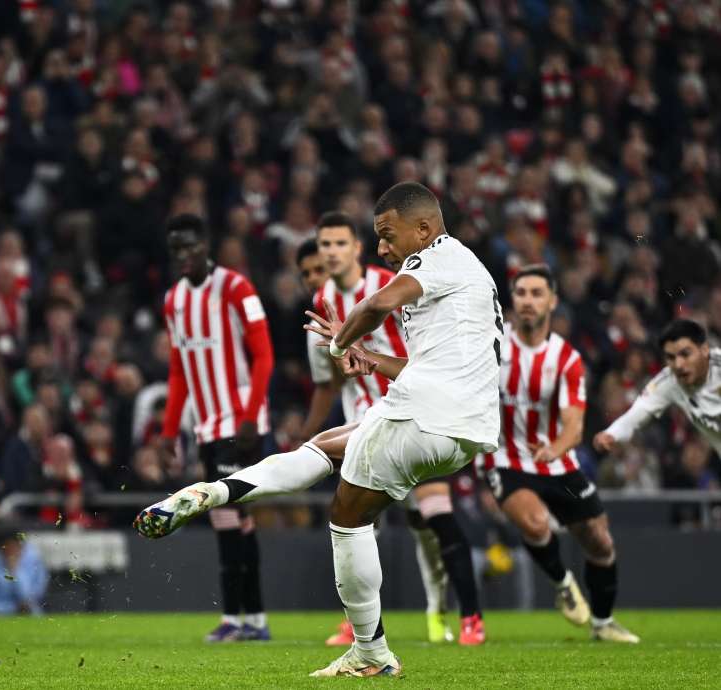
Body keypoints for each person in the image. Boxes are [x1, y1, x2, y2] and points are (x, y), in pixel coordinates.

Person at [138, 182, 501, 677]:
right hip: (464, 424)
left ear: (424, 228)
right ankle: (212, 492)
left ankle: (370, 652)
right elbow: (425, 366)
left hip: (428, 413)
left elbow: (376, 306)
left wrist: (339, 345)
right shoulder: (467, 276)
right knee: (326, 447)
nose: (382, 248)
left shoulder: (436, 256)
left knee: (348, 514)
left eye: (387, 235)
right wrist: (369, 357)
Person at [307, 212, 484, 647]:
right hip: (365, 422)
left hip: (415, 414)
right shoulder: (324, 296)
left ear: (355, 247)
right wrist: (308, 431)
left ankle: (471, 618)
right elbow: (329, 381)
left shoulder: (392, 282)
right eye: (323, 244)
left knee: (436, 517)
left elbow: (421, 346)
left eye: (338, 243)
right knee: (356, 520)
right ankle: (359, 624)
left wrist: (349, 347)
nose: (330, 252)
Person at [478, 264, 639, 643]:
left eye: (537, 293)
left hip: (557, 460)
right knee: (535, 523)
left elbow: (574, 424)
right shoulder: (492, 347)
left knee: (599, 540)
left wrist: (557, 448)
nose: (528, 301)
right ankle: (563, 582)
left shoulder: (566, 359)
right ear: (512, 301)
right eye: (521, 294)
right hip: (506, 458)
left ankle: (602, 623)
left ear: (552, 301)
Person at [160, 213, 275, 642]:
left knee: (230, 519)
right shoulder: (173, 301)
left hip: (240, 423)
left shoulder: (235, 288)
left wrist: (249, 414)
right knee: (230, 523)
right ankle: (248, 620)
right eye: (175, 249)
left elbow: (264, 356)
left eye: (189, 246)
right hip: (207, 427)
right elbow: (178, 371)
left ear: (205, 243)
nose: (183, 256)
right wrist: (169, 431)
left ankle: (243, 618)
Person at [595, 319, 721, 456]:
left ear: (704, 350)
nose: (678, 364)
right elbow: (637, 413)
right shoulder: (669, 382)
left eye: (685, 354)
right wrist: (611, 433)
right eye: (671, 357)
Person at [0, 536, 48, 615]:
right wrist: (11, 609)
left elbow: (31, 596)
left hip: (29, 613)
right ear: (2, 548)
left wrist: (15, 571)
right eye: (8, 547)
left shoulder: (34, 563)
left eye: (15, 547)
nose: (11, 551)